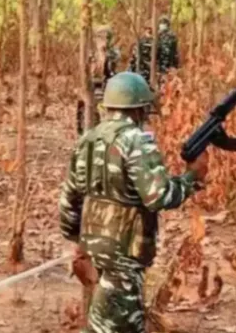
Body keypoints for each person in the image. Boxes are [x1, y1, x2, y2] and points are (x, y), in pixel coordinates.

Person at [58, 72, 209, 333]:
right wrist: (192, 178)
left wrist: (78, 243)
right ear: (140, 109)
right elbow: (159, 196)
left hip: (94, 250)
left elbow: (70, 200)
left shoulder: (87, 140)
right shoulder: (137, 141)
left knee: (104, 322)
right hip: (124, 253)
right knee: (118, 326)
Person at [77, 25, 121, 135]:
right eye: (100, 37)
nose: (103, 40)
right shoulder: (91, 53)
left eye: (106, 37)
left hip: (109, 87)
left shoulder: (114, 52)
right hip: (92, 86)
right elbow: (88, 70)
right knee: (87, 111)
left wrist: (104, 54)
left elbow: (111, 68)